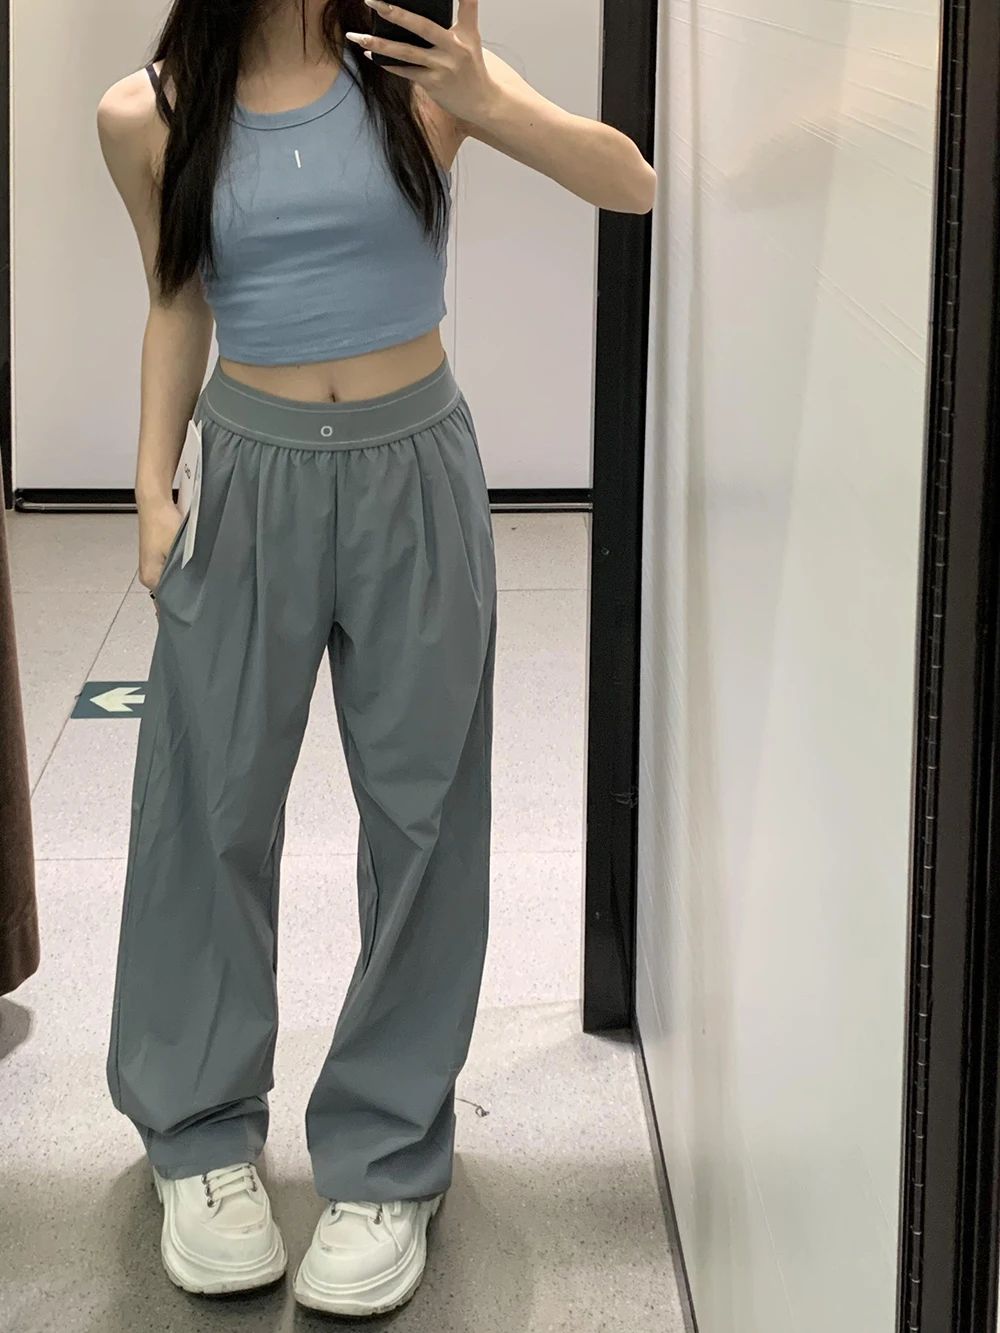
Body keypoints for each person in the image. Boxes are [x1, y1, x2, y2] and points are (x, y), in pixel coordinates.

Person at [96, 0, 655, 1316]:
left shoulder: (417, 82)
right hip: (248, 478)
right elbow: (174, 298)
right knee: (206, 802)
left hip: (417, 474)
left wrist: (488, 98)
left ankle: (388, 1155)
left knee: (425, 814)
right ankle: (199, 1139)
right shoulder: (148, 114)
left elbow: (629, 182)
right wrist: (150, 485)